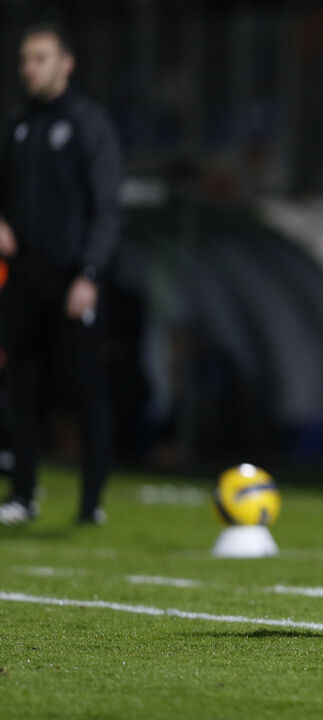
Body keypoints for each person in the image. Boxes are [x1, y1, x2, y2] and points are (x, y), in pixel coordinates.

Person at [0, 24, 123, 525]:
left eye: (41, 58)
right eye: (26, 59)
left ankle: (91, 503)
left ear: (66, 63)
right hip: (24, 278)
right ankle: (22, 496)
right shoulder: (17, 125)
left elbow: (107, 209)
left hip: (73, 279)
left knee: (85, 391)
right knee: (20, 389)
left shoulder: (89, 125)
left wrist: (90, 273)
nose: (30, 67)